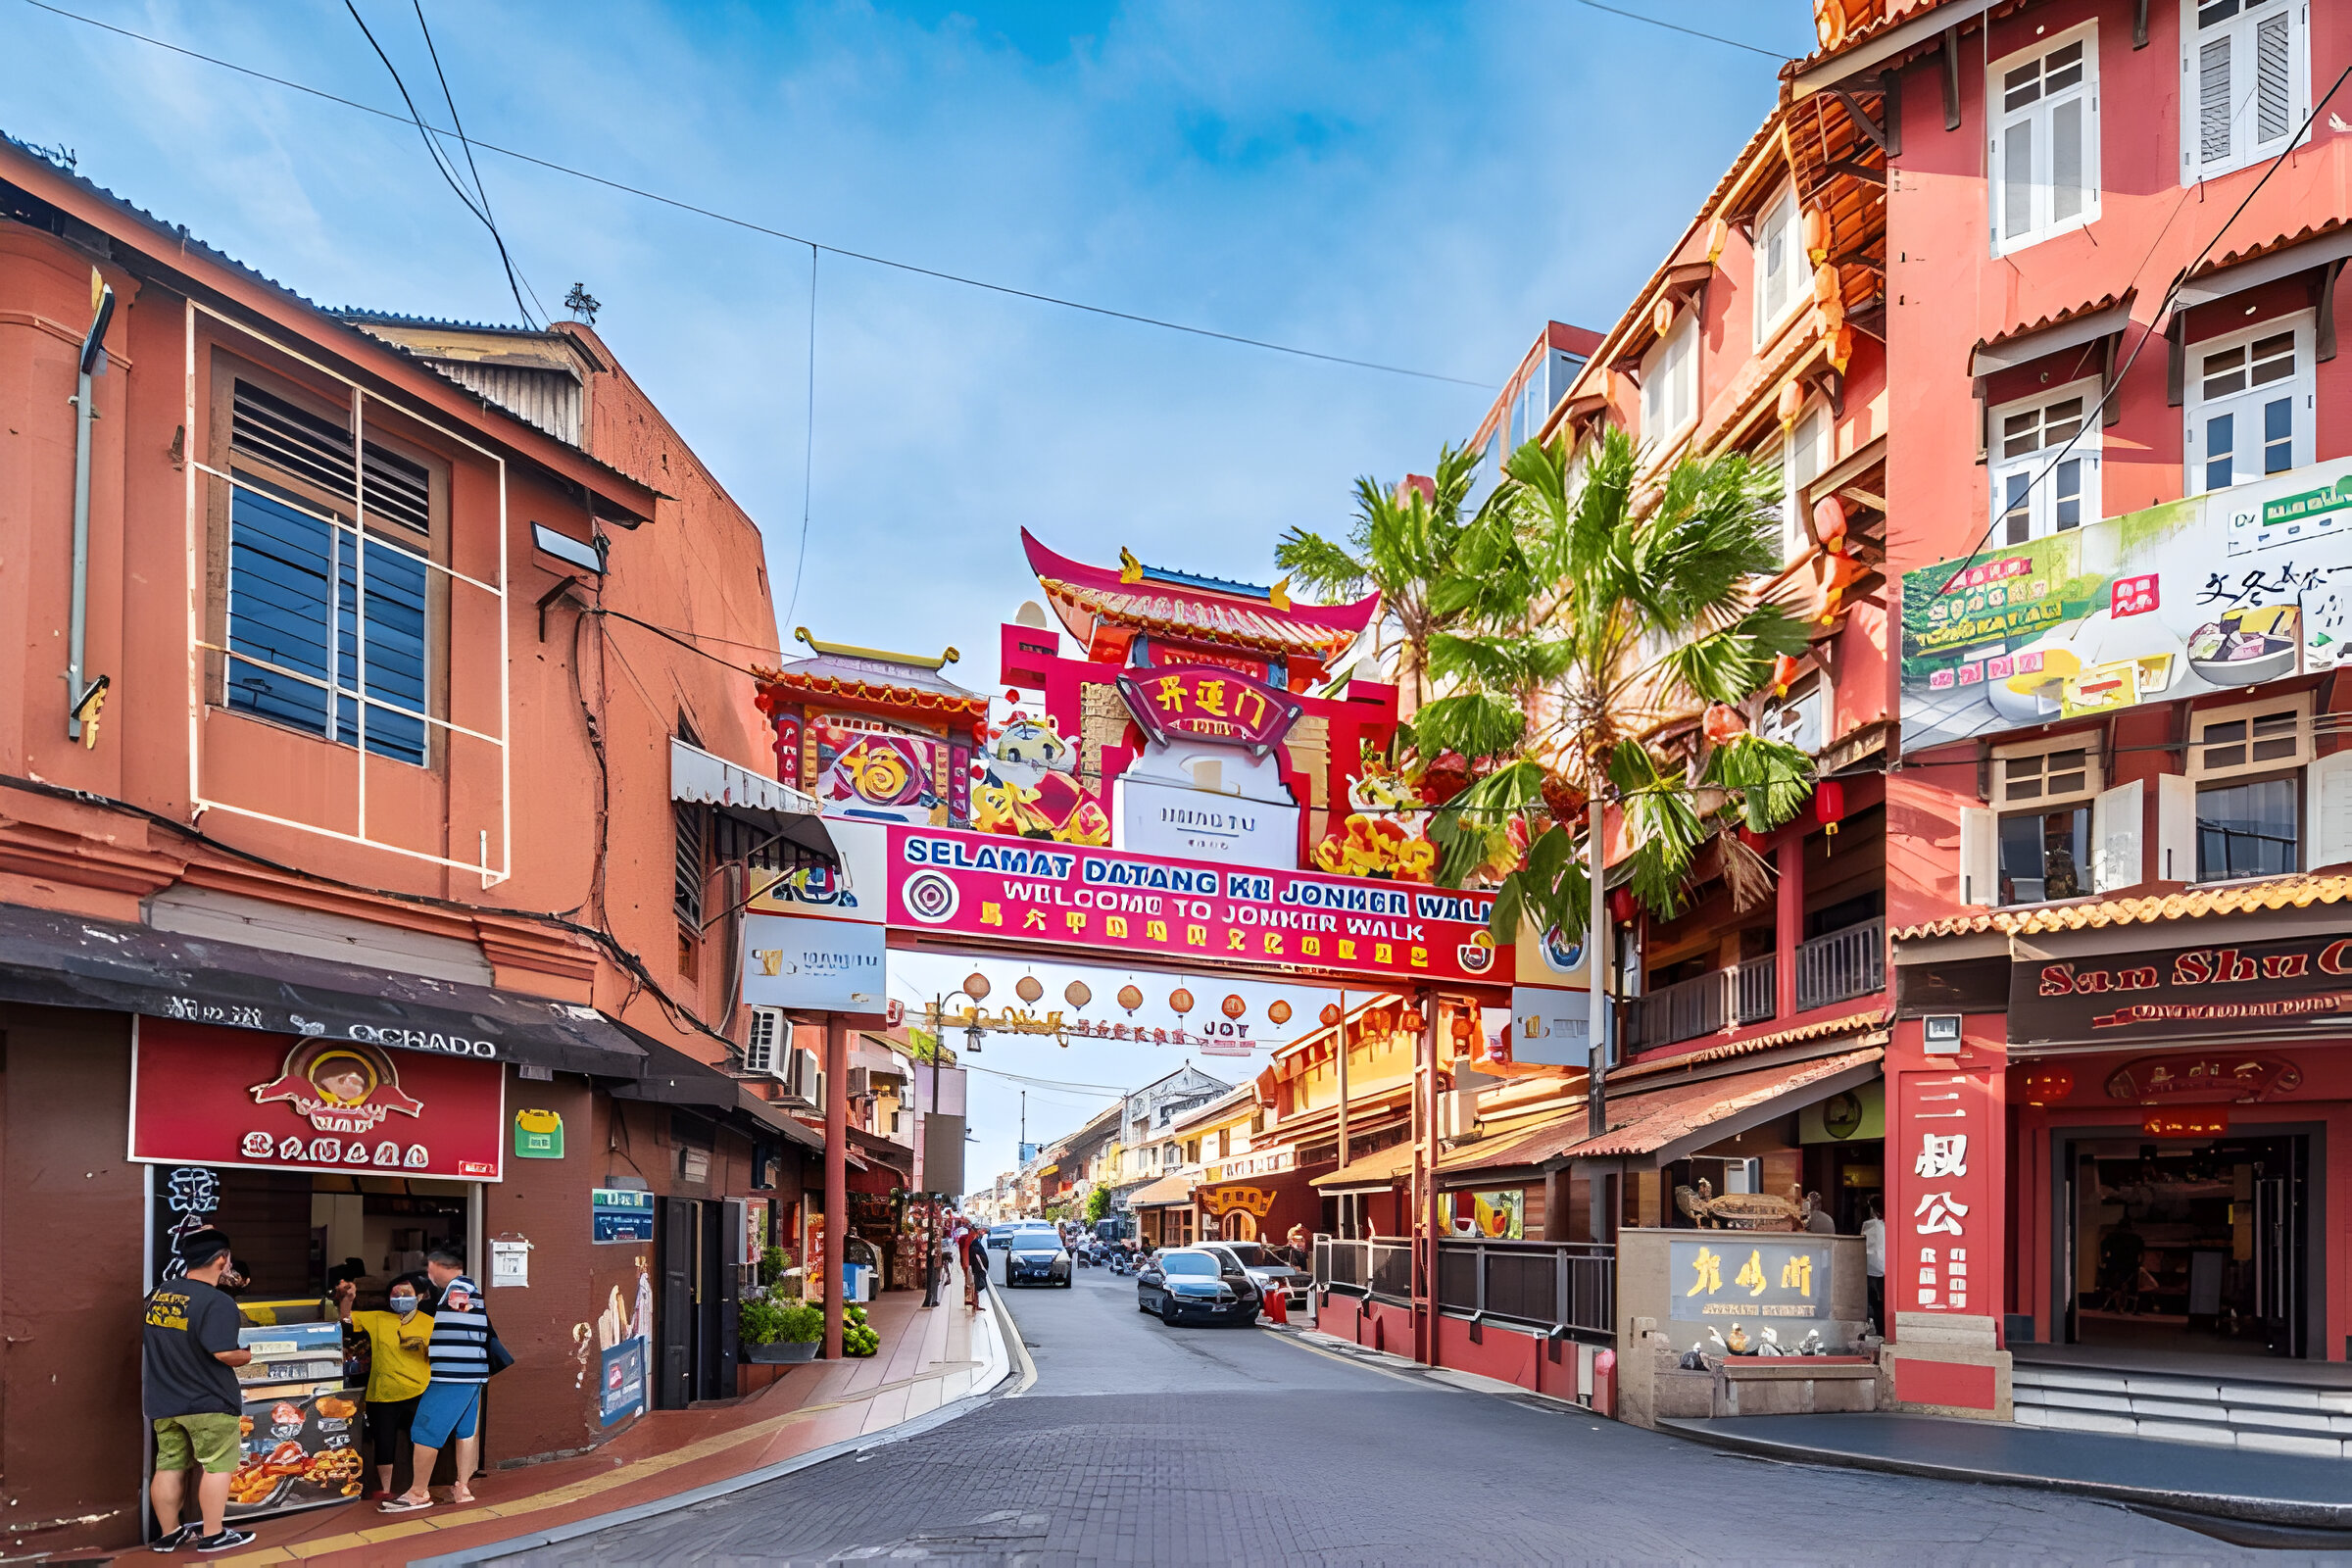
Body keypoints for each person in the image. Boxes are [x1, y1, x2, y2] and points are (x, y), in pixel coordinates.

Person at [143, 1227, 257, 1553]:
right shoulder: (218, 1302)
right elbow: (223, 1352)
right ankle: (213, 1534)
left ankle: (168, 1534)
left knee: (169, 1464)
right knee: (218, 1466)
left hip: (164, 1400)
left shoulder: (158, 1295)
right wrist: (249, 1354)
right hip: (209, 1400)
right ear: (222, 1260)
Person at [379, 1248, 490, 1513]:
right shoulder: (468, 1287)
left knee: (425, 1432)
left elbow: (460, 1317)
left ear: (442, 1266)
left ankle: (418, 1493)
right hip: (470, 1375)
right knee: (464, 1433)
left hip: (452, 1376)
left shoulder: (457, 1290)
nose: (429, 1276)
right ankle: (461, 1488)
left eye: (431, 1269)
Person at [334, 1273, 432, 1498]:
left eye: (406, 1293)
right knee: (384, 1442)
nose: (400, 1297)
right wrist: (348, 1298)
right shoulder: (377, 1318)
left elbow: (440, 1353)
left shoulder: (430, 1322)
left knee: (420, 1441)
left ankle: (420, 1487)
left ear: (420, 1296)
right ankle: (385, 1490)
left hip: (419, 1391)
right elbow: (345, 1319)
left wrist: (424, 1349)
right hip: (382, 1393)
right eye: (396, 1293)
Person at [1859, 1196, 1886, 1335]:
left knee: (1873, 1303)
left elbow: (1864, 1246)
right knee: (1880, 1303)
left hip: (1871, 1270)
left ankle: (1878, 1330)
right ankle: (1881, 1331)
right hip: (1884, 1271)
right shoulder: (1889, 1223)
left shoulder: (1871, 1225)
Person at [961, 1218, 991, 1310]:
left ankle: (975, 1303)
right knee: (975, 1283)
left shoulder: (974, 1237)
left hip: (975, 1264)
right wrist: (967, 1264)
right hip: (975, 1265)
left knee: (974, 1283)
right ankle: (974, 1302)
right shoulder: (972, 1238)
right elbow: (970, 1251)